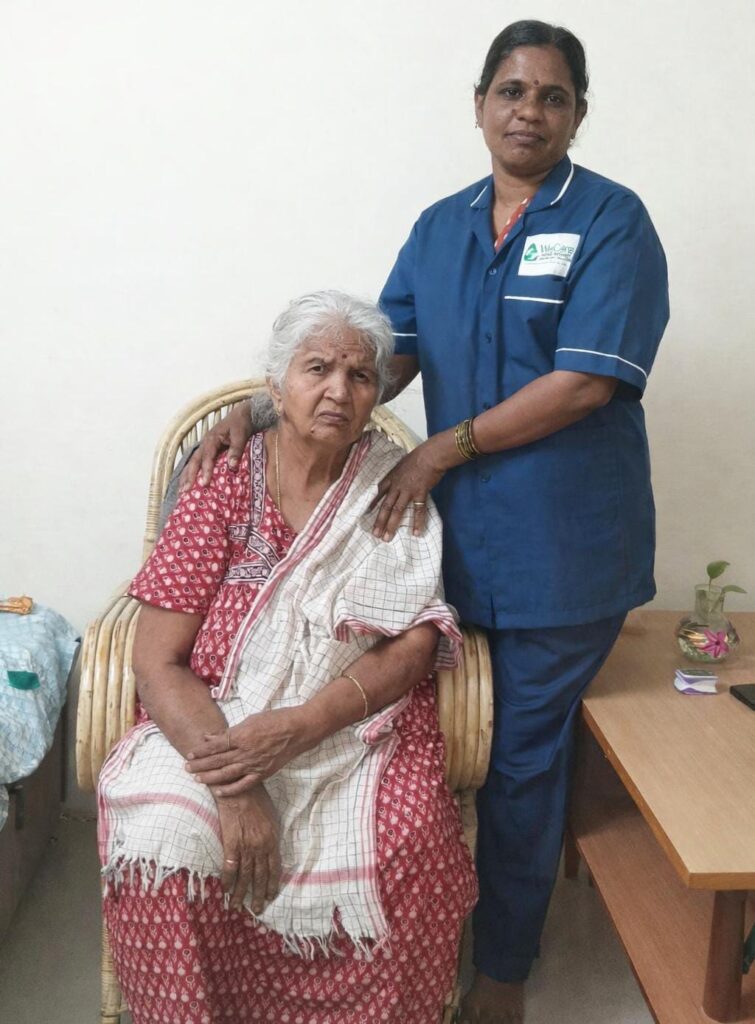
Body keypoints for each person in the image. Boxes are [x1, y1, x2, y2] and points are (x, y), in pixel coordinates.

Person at [184, 21, 669, 1024]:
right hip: (446, 546)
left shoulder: (611, 223)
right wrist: (267, 410)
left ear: (577, 113)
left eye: (551, 96)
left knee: (519, 761)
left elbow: (584, 382)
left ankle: (501, 971)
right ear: (478, 103)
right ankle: (395, 939)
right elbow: (381, 358)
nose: (527, 112)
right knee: (425, 744)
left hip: (562, 552)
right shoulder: (440, 227)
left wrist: (441, 449)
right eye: (510, 91)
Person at [98, 290, 477, 1024]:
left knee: (409, 843)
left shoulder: (390, 486)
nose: (338, 390)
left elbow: (415, 641)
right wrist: (236, 788)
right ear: (276, 389)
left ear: (377, 393)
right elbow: (158, 660)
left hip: (351, 727)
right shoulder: (222, 480)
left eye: (359, 375)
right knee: (162, 836)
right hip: (212, 717)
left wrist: (302, 726)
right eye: (317, 369)